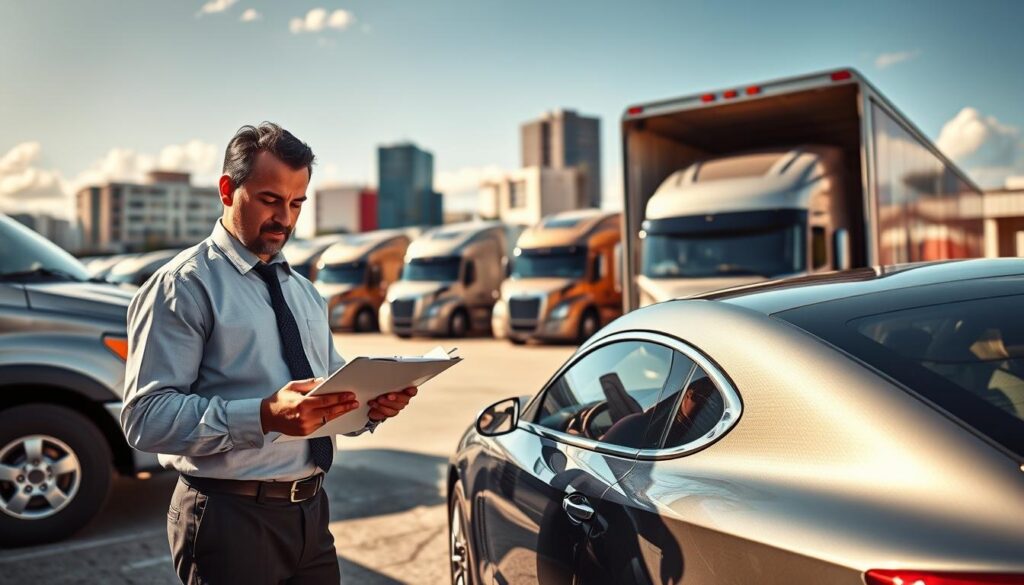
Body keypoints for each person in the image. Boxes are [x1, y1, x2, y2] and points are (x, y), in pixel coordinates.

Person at [120, 122, 416, 584]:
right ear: (227, 189)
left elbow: (325, 391)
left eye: (297, 203)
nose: (286, 218)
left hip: (310, 516)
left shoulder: (304, 292)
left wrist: (370, 406)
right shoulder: (183, 286)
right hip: (227, 518)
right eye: (270, 200)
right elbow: (145, 418)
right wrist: (262, 416)